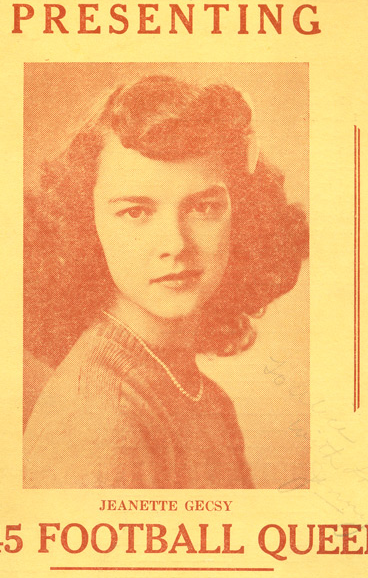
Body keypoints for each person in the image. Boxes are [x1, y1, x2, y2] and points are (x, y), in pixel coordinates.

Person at [23, 74, 308, 489]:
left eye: (205, 207)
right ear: (85, 226)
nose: (175, 243)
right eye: (136, 212)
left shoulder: (205, 398)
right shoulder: (99, 420)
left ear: (242, 216)